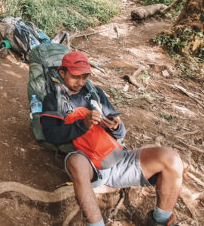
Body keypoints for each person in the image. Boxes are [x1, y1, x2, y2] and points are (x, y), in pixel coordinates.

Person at [40, 51, 183, 226]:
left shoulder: (95, 92)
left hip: (117, 157)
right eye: (75, 77)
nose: (81, 82)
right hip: (89, 163)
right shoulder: (53, 99)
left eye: (85, 77)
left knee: (172, 158)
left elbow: (118, 133)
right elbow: (51, 135)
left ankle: (160, 220)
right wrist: (82, 125)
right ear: (62, 73)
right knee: (76, 162)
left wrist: (116, 126)